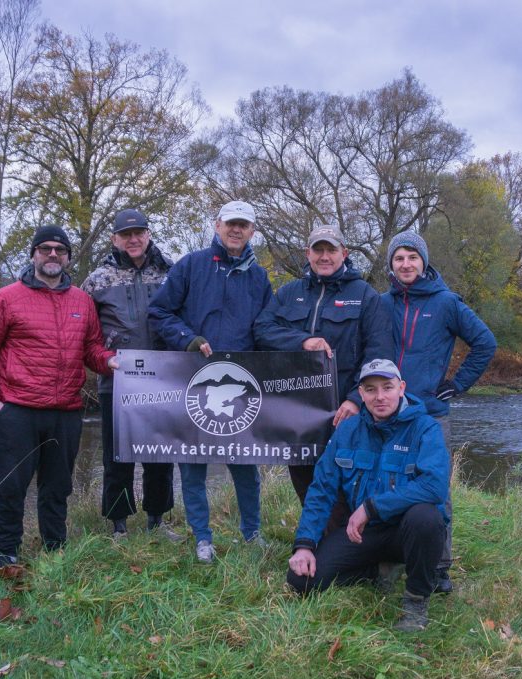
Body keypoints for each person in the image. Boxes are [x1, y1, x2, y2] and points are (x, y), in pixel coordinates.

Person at [0, 225, 118, 567]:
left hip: (65, 412)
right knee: (10, 487)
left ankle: (55, 548)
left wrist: (111, 362)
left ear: (68, 257)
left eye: (60, 250)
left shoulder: (82, 301)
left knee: (57, 488)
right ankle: (6, 552)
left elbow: (92, 349)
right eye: (46, 248)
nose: (53, 254)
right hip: (16, 411)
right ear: (34, 253)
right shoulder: (7, 298)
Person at [148, 200, 273, 562]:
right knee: (193, 465)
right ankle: (203, 537)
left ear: (252, 231)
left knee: (246, 466)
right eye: (230, 223)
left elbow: (266, 328)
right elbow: (159, 311)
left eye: (244, 225)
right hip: (194, 380)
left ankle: (252, 534)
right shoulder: (191, 265)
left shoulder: (259, 276)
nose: (236, 230)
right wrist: (186, 337)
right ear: (217, 225)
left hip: (242, 385)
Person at [287, 359, 449, 632]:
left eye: (388, 387)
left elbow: (434, 487)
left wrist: (372, 507)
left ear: (402, 388)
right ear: (360, 394)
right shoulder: (348, 430)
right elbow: (322, 489)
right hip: (362, 534)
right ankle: (377, 572)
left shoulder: (426, 428)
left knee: (427, 517)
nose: (380, 397)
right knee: (301, 581)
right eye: (371, 390)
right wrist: (304, 544)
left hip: (406, 531)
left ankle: (416, 600)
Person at [381, 230, 497, 594]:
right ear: (391, 265)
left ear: (424, 261)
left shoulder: (446, 302)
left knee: (434, 489)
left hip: (430, 413)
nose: (405, 264)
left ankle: (439, 566)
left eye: (412, 257)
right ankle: (391, 559)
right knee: (389, 482)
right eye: (399, 258)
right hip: (387, 412)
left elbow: (485, 342)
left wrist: (457, 383)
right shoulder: (382, 303)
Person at [253, 224, 392, 525]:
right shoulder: (289, 293)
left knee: (347, 477)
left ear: (345, 253)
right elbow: (262, 330)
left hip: (345, 410)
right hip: (296, 409)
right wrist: (302, 341)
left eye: (331, 250)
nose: (325, 256)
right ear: (308, 254)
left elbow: (379, 354)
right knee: (304, 476)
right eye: (319, 250)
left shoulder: (365, 296)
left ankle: (355, 546)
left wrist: (357, 399)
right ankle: (321, 539)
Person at [81, 209, 181, 542]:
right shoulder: (97, 280)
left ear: (148, 234)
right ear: (114, 239)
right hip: (117, 381)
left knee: (161, 454)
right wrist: (104, 360)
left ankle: (157, 519)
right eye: (126, 234)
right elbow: (86, 334)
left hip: (164, 379)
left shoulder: (172, 273)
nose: (133, 239)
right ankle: (119, 524)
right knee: (117, 456)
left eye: (138, 232)